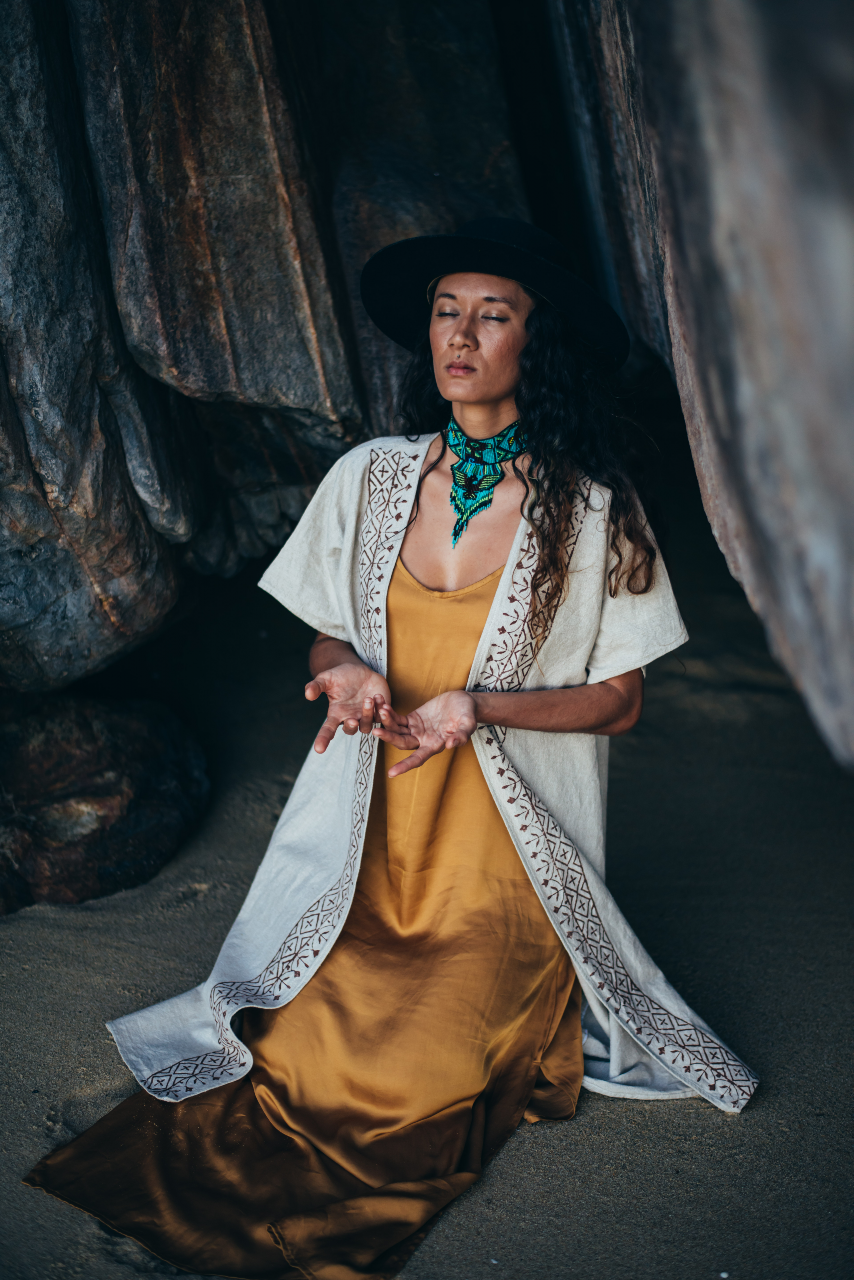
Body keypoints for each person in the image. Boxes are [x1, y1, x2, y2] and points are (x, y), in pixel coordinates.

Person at [26, 219, 757, 1280]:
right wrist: (349, 670)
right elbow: (330, 632)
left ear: (532, 340)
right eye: (444, 311)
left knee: (412, 1080)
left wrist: (480, 705)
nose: (458, 334)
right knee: (294, 1045)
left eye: (490, 313)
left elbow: (617, 701)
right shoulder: (369, 476)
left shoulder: (592, 511)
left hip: (499, 878)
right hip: (369, 847)